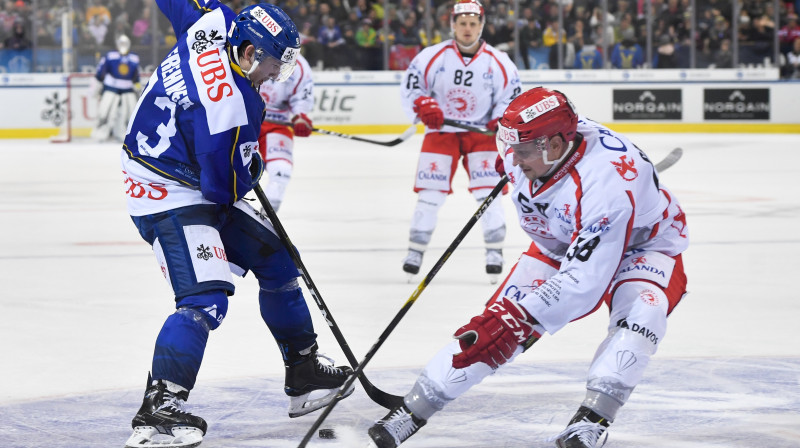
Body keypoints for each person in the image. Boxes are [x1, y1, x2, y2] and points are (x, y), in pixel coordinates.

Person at [367, 87, 689, 448]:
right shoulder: (529, 141)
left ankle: (592, 420)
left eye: (521, 153)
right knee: (489, 331)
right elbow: (517, 149)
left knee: (642, 314)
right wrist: (506, 319)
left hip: (643, 245)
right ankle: (413, 410)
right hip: (560, 240)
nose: (513, 160)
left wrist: (518, 315)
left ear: (553, 146)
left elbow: (586, 281)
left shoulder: (608, 188)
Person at [120, 2, 353, 447]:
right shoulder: (231, 104)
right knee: (205, 298)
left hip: (183, 167)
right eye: (272, 65)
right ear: (248, 52)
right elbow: (223, 189)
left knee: (279, 259)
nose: (274, 76)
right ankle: (157, 411)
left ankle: (303, 373)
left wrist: (244, 163)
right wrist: (253, 165)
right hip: (165, 190)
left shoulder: (215, 21)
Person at [399, 0, 521, 281]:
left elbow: (512, 96)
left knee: (488, 196)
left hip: (481, 136)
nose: (467, 28)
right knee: (429, 195)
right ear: (453, 25)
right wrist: (423, 104)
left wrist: (501, 117)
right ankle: (416, 250)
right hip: (442, 133)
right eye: (462, 23)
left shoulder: (499, 61)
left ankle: (494, 251)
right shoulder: (432, 56)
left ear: (482, 26)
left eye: (473, 23)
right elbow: (413, 86)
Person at [257, 52, 314, 212]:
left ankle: (265, 220)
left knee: (281, 172)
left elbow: (302, 98)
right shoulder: (250, 51)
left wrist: (300, 117)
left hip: (276, 125)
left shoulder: (300, 66)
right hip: (243, 119)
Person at [91, 34, 140, 142]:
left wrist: (138, 88)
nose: (123, 45)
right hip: (111, 88)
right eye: (121, 43)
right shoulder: (110, 56)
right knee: (105, 112)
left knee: (128, 114)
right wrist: (97, 86)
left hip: (127, 90)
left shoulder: (134, 57)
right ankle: (100, 134)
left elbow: (136, 76)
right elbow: (101, 72)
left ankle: (124, 135)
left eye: (125, 43)